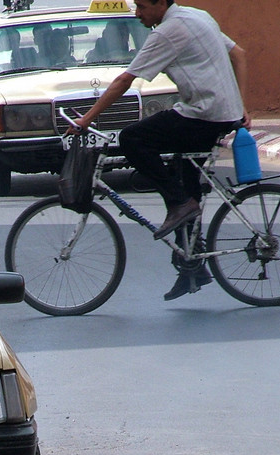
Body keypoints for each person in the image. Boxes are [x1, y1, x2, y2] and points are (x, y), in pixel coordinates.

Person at [72, 0, 249, 301]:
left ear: (160, 3)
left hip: (202, 115)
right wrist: (242, 107)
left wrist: (86, 119)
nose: (137, 13)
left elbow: (125, 80)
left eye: (141, 6)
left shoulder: (168, 31)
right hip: (220, 113)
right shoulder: (197, 16)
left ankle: (181, 205)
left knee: (132, 139)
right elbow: (239, 55)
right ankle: (192, 267)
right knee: (184, 182)